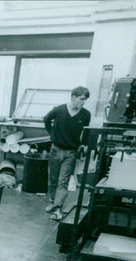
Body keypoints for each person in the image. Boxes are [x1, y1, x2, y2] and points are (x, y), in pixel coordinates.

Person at [43, 86, 91, 221]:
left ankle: (58, 208)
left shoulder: (85, 114)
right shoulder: (59, 110)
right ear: (73, 97)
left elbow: (86, 131)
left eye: (85, 100)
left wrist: (84, 145)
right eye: (82, 99)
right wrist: (52, 134)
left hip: (71, 152)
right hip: (56, 149)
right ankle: (52, 202)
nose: (83, 102)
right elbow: (46, 119)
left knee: (62, 181)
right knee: (53, 179)